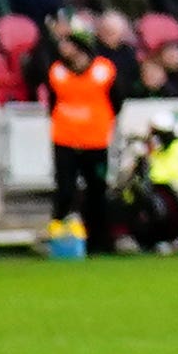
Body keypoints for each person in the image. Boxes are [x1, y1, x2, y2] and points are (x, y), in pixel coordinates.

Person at [44, 40, 122, 253]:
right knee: (65, 191)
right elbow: (52, 102)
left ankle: (99, 242)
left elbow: (116, 101)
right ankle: (58, 239)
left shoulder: (103, 71)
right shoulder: (57, 72)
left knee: (97, 191)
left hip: (95, 142)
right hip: (65, 140)